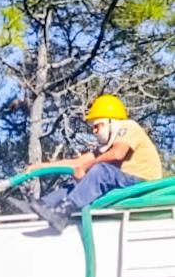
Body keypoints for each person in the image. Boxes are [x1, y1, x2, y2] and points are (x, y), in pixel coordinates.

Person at [12, 95, 163, 232]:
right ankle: (41, 206)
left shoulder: (128, 126)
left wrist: (85, 167)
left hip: (143, 184)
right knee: (79, 183)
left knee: (100, 171)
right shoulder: (108, 146)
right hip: (126, 182)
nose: (94, 131)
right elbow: (77, 163)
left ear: (110, 121)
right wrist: (41, 167)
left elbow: (118, 154)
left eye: (97, 126)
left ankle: (64, 211)